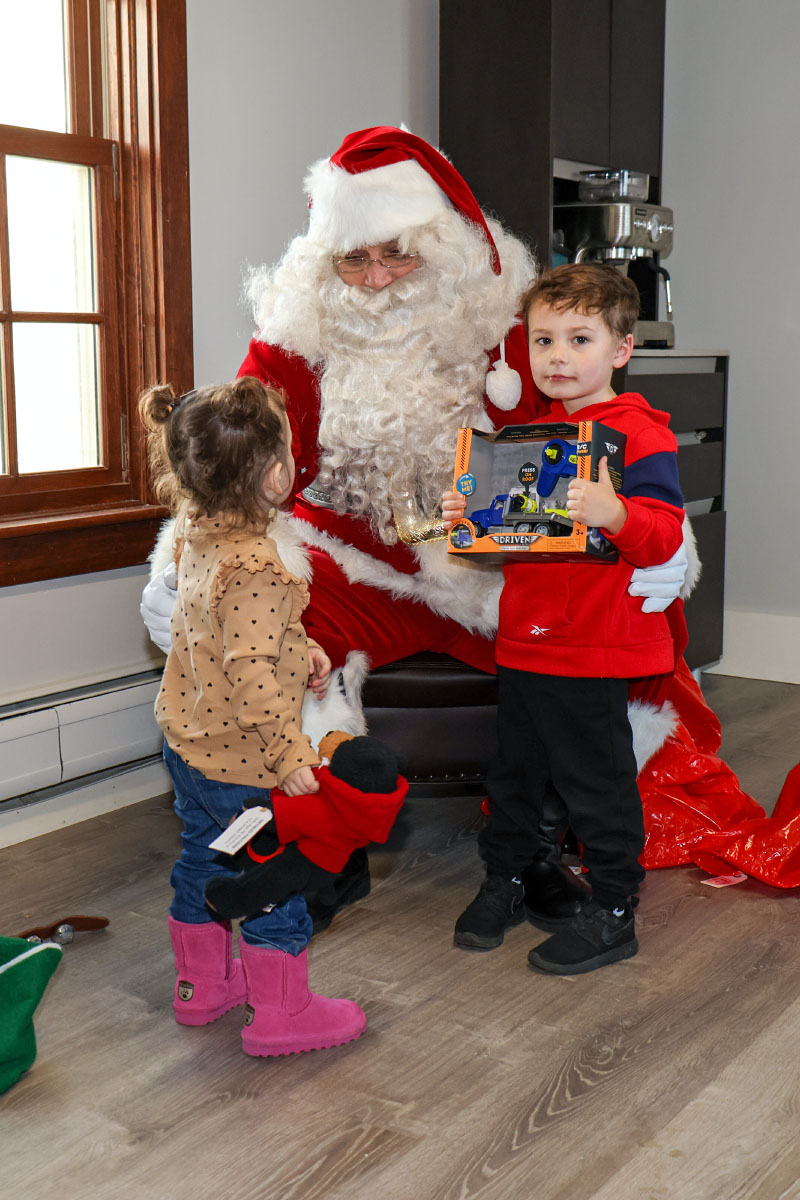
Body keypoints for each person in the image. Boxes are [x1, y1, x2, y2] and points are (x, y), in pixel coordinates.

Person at [140, 126, 757, 930]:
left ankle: (541, 845)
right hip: (352, 560)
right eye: (353, 260)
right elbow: (228, 466)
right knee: (262, 627)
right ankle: (324, 845)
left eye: (397, 254)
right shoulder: (298, 337)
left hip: (499, 568)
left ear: (443, 245)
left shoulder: (516, 329)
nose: (375, 280)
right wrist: (188, 565)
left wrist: (668, 545)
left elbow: (609, 445)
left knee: (610, 647)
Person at [447, 264, 685, 973]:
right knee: (513, 777)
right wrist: (471, 522)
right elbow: (507, 546)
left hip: (594, 646)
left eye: (580, 339)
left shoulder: (642, 435)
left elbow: (663, 536)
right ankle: (507, 878)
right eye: (543, 339)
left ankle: (613, 909)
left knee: (596, 785)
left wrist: (616, 513)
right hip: (525, 641)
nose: (557, 356)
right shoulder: (522, 438)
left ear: (621, 348)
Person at [138, 375, 366, 1057]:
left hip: (187, 745)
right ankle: (282, 1014)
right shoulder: (259, 566)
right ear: (274, 475)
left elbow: (221, 635)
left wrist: (302, 649)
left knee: (202, 857)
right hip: (245, 762)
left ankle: (201, 987)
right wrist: (292, 757)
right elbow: (252, 677)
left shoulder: (195, 532)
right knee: (274, 880)